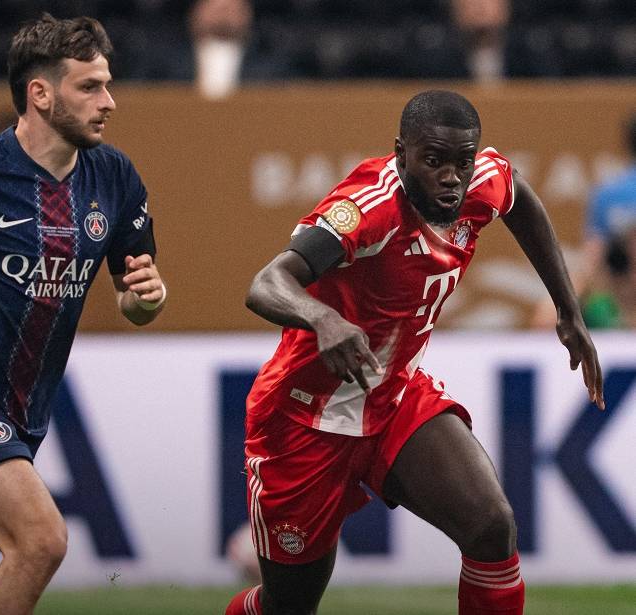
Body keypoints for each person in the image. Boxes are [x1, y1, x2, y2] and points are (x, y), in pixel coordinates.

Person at [225, 90, 604, 615]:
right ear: (401, 154)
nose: (451, 177)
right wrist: (324, 318)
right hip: (304, 418)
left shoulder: (479, 179)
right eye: (433, 161)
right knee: (288, 605)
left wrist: (567, 308)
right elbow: (267, 283)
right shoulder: (368, 207)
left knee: (491, 527)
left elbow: (518, 195)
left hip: (393, 397)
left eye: (461, 162)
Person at [0, 14, 166, 614]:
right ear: (40, 93)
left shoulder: (114, 177)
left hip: (19, 418)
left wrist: (147, 298)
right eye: (89, 87)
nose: (109, 101)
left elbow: (135, 298)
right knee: (40, 540)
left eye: (107, 84)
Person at [532, 113, 636, 328]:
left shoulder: (608, 193)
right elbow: (593, 258)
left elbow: (591, 258)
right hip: (617, 296)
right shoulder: (609, 195)